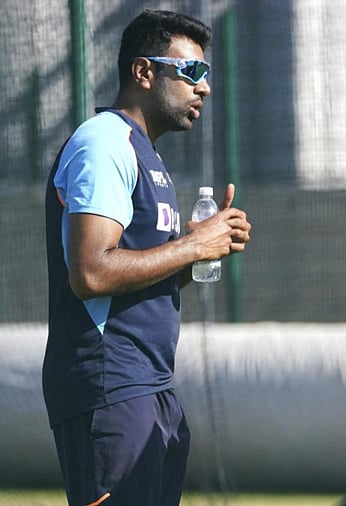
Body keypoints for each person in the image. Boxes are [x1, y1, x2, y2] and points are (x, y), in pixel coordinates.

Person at [43, 10, 251, 506]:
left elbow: (134, 277)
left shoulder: (148, 156)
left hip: (149, 383)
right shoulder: (104, 142)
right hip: (109, 383)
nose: (204, 88)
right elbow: (91, 273)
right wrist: (192, 246)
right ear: (143, 72)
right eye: (191, 72)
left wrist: (197, 250)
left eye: (207, 75)